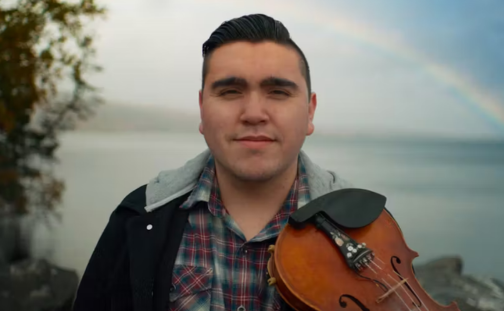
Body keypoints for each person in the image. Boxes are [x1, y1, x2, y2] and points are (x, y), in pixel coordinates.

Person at [73, 13, 355, 311]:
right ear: (202, 108)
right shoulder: (136, 219)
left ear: (310, 113)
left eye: (278, 92)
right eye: (230, 92)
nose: (254, 113)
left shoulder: (369, 231)